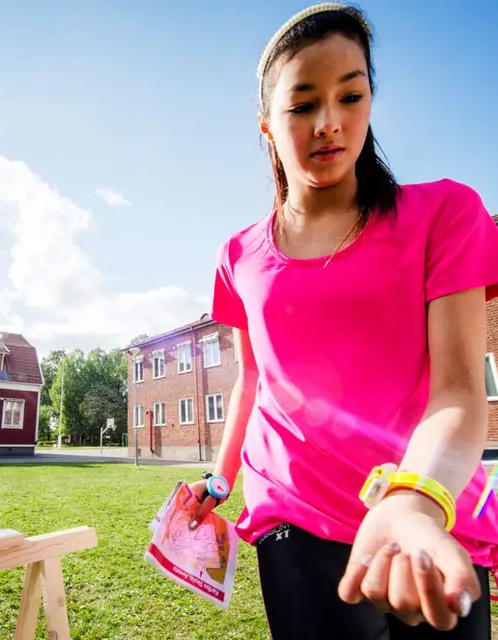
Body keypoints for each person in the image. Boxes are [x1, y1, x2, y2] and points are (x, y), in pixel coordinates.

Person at [189, 3, 498, 639]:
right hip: (295, 516)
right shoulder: (237, 255)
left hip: (431, 509)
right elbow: (252, 379)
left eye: (350, 96)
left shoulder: (446, 214)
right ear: (268, 126)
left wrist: (414, 498)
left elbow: (461, 386)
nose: (329, 123)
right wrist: (218, 482)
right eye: (302, 105)